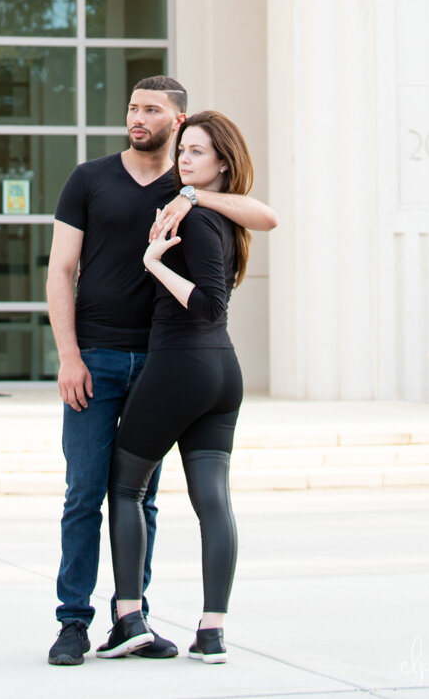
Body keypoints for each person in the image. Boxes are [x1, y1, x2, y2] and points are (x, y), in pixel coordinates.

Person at [46, 78, 277, 666]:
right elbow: (60, 270)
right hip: (96, 358)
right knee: (85, 493)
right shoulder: (89, 179)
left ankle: (133, 615)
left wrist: (198, 197)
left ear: (178, 122)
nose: (137, 117)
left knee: (140, 494)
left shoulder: (187, 186)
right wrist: (69, 356)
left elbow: (260, 212)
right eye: (132, 108)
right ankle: (74, 621)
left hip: (161, 358)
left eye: (152, 109)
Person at [95, 110, 253, 662]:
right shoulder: (221, 215)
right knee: (213, 499)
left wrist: (153, 264)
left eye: (197, 152)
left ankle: (129, 616)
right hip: (222, 373)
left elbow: (208, 303)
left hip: (181, 366)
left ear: (222, 164)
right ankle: (211, 631)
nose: (184, 158)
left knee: (126, 486)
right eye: (183, 149)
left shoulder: (202, 219)